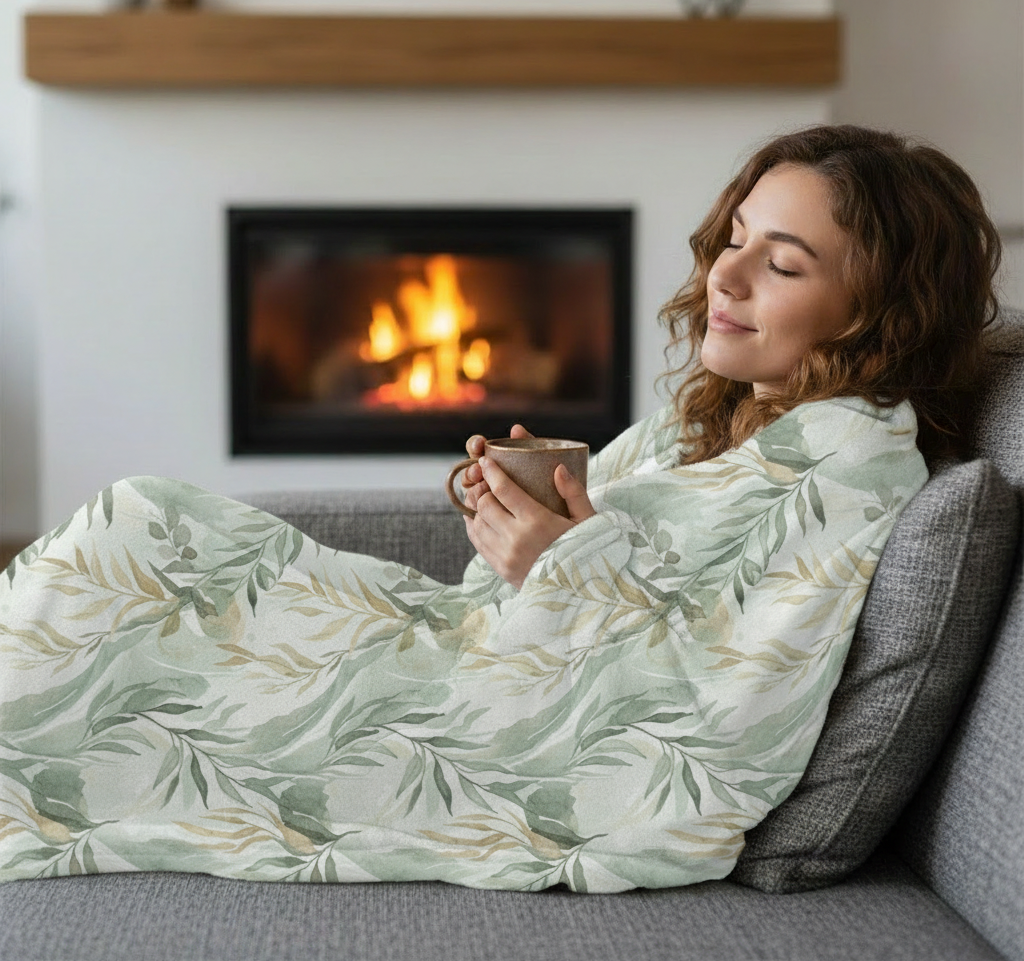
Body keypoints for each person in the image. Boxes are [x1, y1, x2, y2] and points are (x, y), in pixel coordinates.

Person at [0, 125, 999, 893]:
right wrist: (522, 534)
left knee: (143, 556)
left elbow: (725, 730)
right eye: (732, 241)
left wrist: (563, 562)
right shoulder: (729, 415)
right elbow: (565, 583)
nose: (721, 278)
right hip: (493, 662)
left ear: (880, 309)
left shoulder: (851, 466)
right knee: (150, 530)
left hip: (526, 753)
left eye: (780, 264)